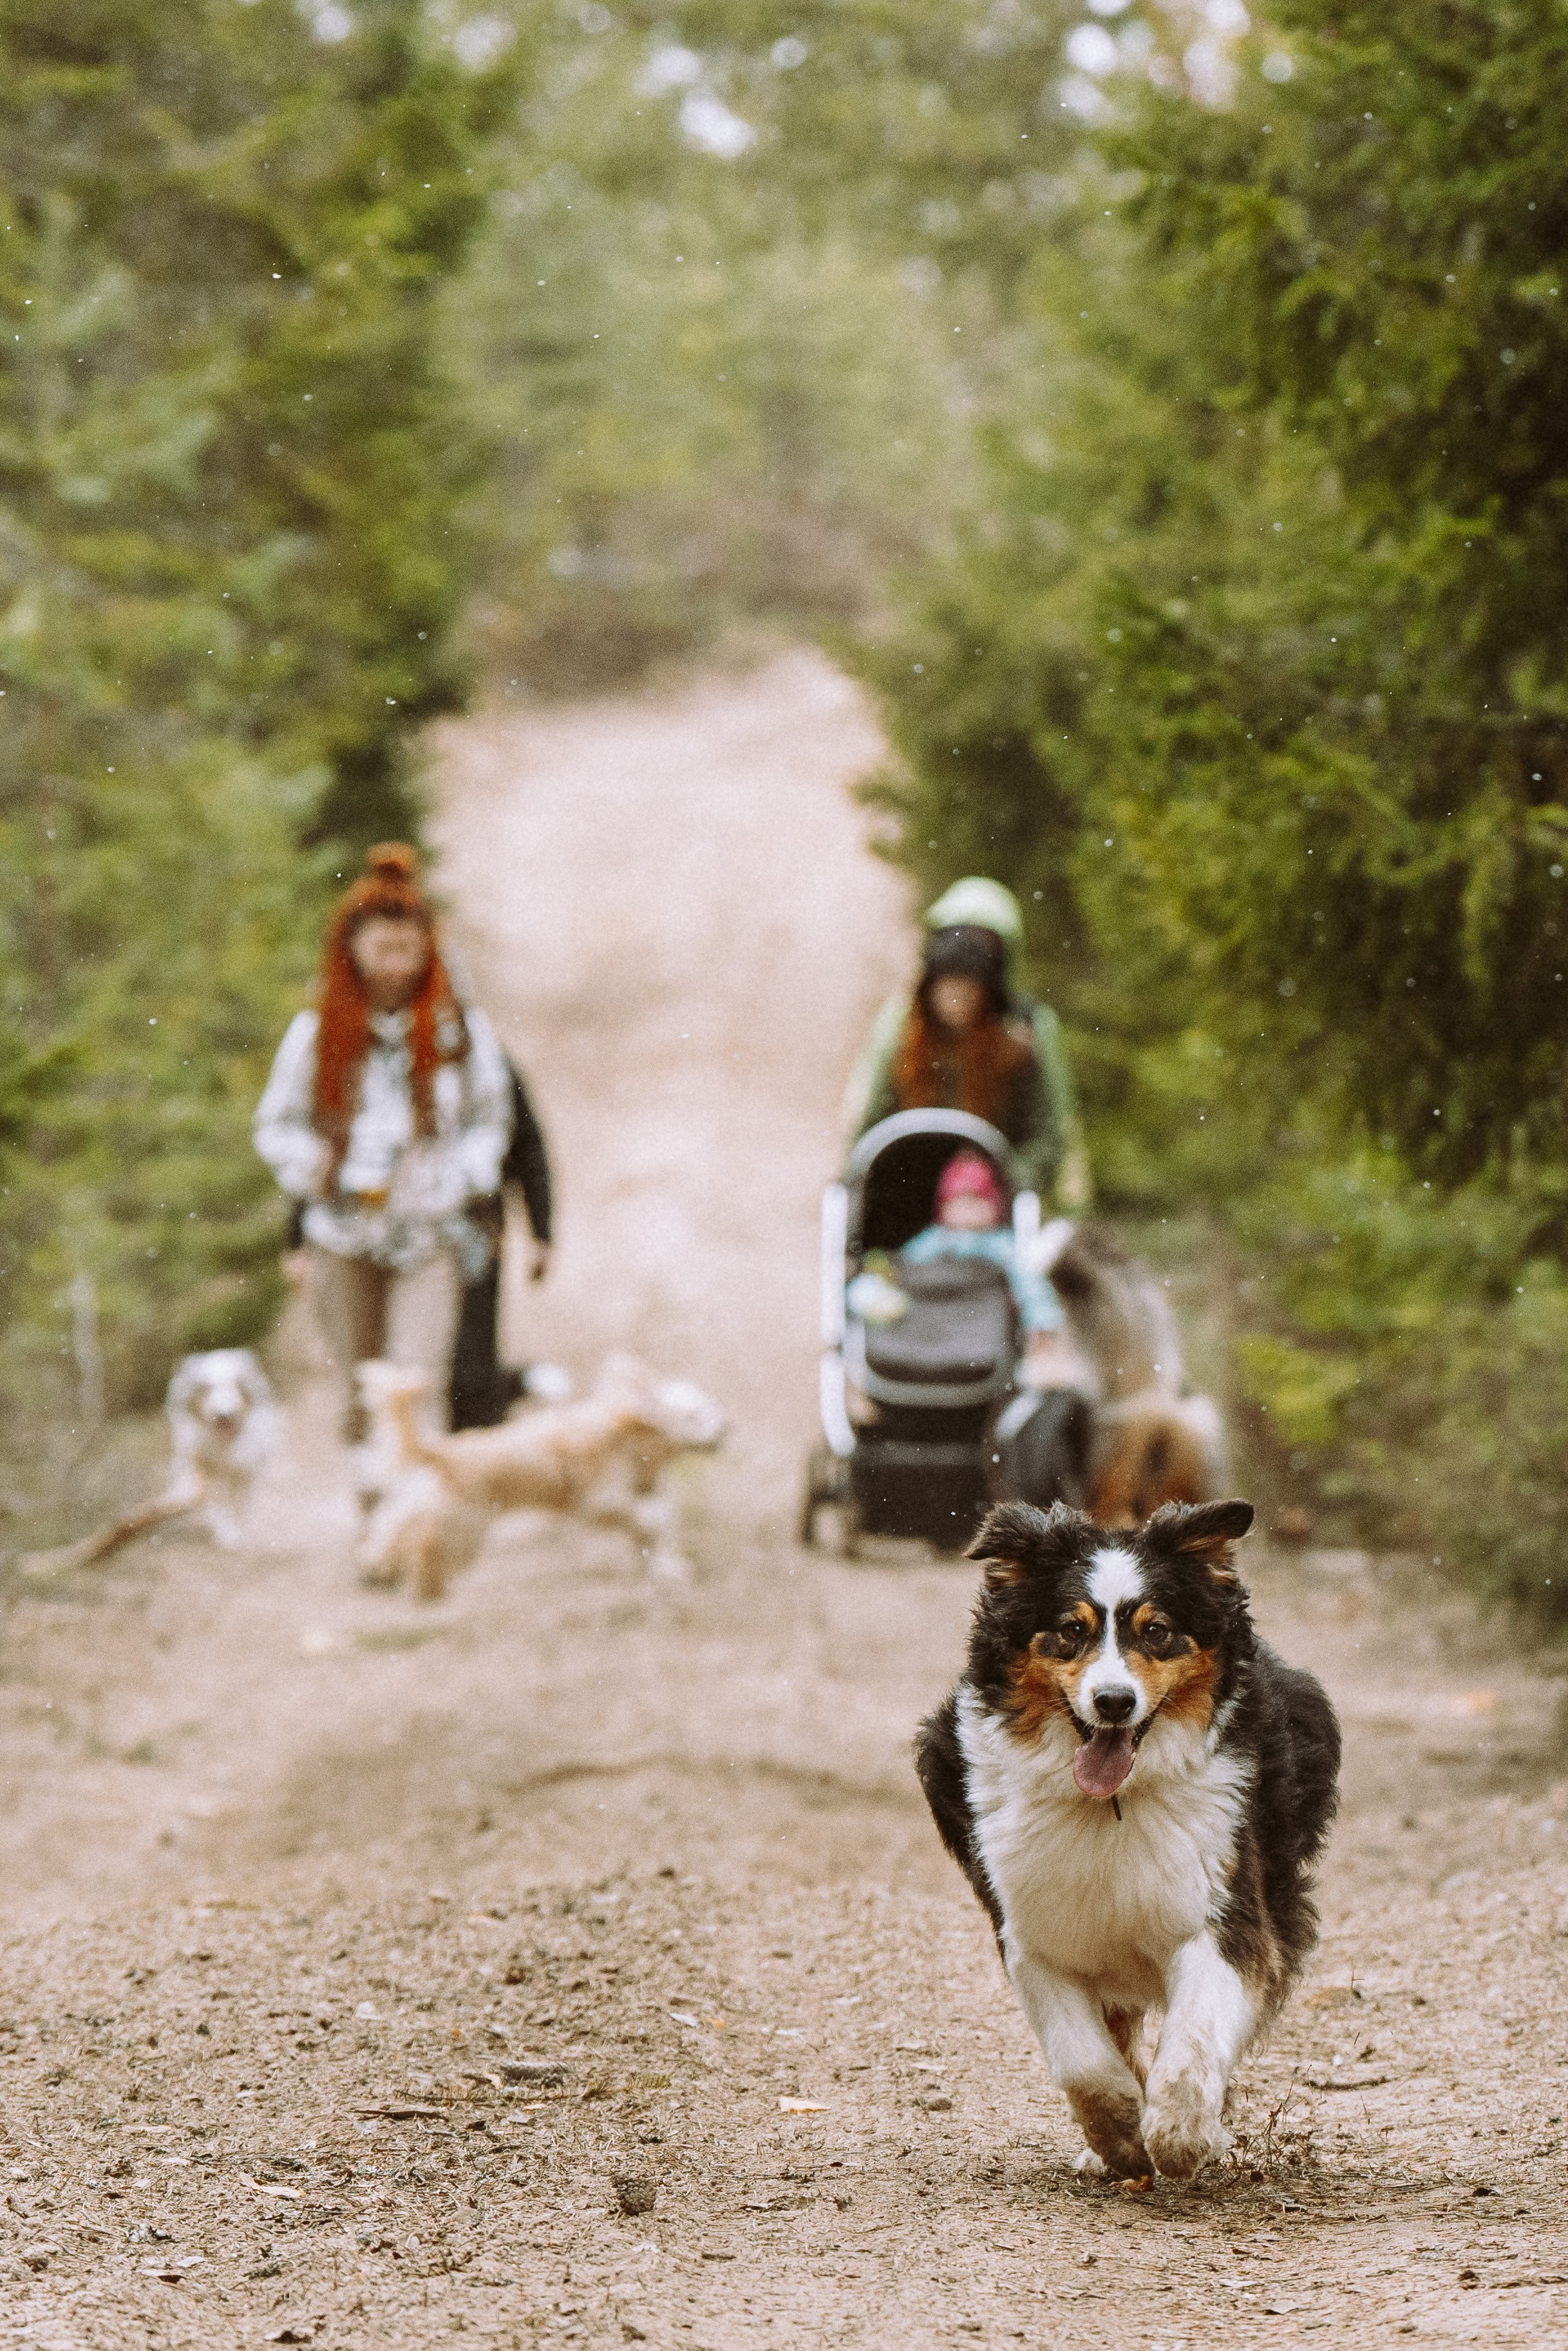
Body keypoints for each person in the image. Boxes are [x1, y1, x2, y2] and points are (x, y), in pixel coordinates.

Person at [254, 844, 511, 1442]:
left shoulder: (460, 1034)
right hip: (343, 1235)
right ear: (354, 950)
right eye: (382, 949)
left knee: (411, 1383)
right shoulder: (316, 1035)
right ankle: (377, 1513)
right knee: (360, 1385)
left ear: (427, 950)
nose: (395, 963)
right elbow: (277, 1124)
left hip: (429, 1234)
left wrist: (465, 1177)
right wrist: (315, 1169)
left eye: (407, 949)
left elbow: (490, 1119)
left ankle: (414, 1523)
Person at [844, 876, 1090, 1207]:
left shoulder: (1029, 1032)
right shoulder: (903, 1023)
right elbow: (870, 1110)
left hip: (988, 1200)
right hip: (907, 1189)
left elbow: (1053, 1131)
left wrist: (1006, 1182)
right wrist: (861, 1175)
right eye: (956, 936)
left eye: (985, 945)